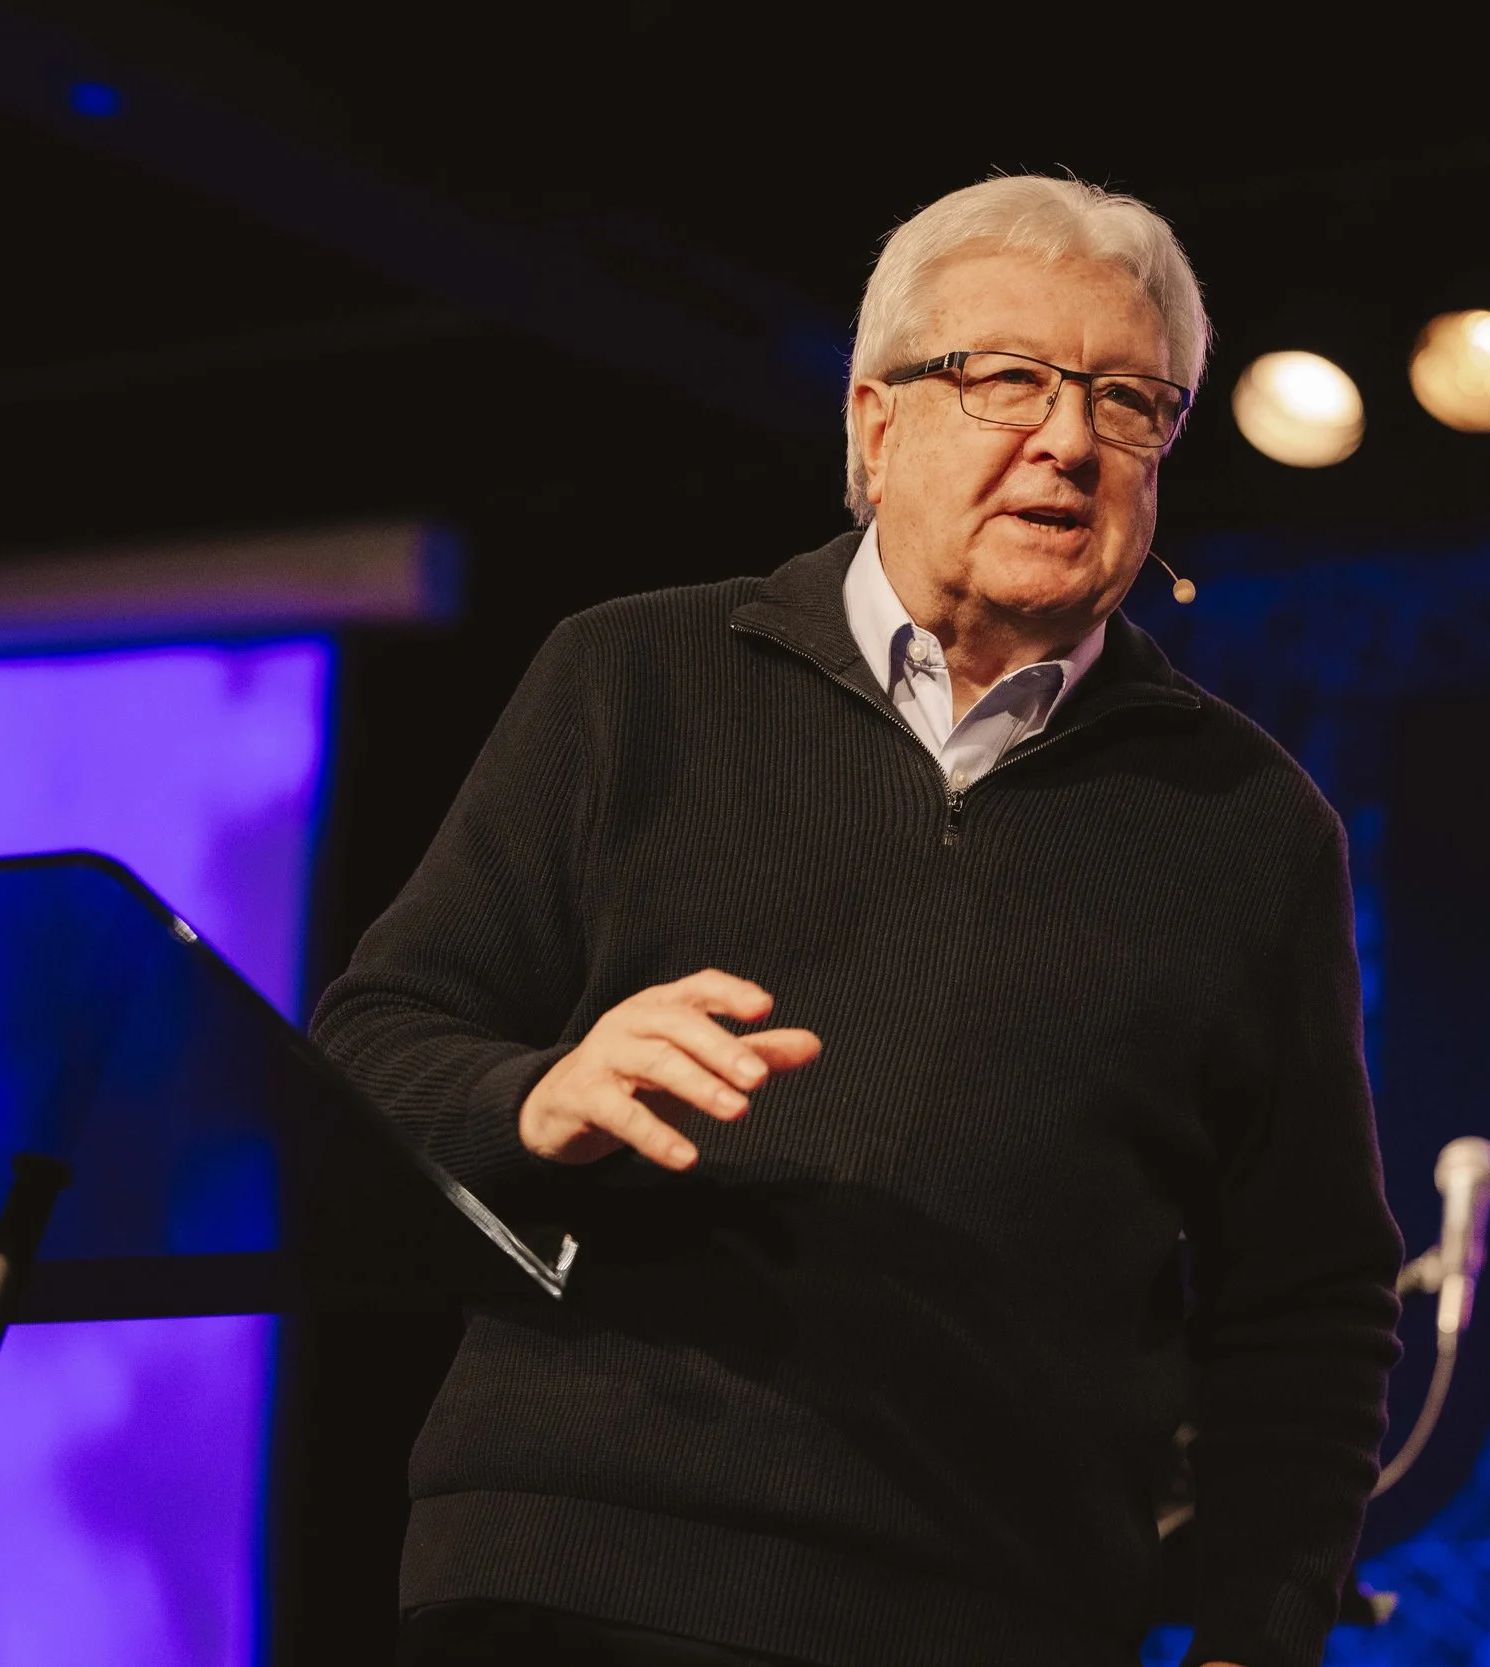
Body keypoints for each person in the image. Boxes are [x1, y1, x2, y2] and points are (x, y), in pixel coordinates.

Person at [313, 174, 1402, 1667]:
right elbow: (367, 1054)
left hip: (991, 1616)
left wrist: (1252, 1642)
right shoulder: (631, 678)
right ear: (876, 428)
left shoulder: (1249, 827)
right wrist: (536, 1098)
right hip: (574, 1578)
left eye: (1129, 402)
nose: (1070, 440)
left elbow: (1309, 1300)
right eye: (1008, 379)